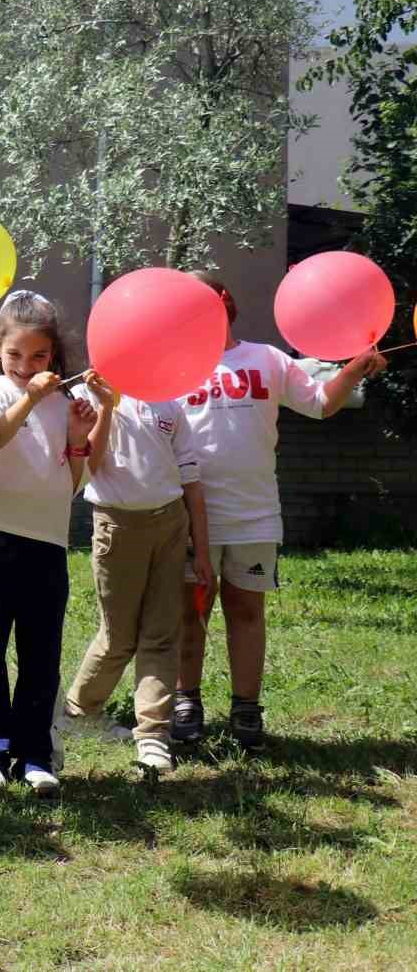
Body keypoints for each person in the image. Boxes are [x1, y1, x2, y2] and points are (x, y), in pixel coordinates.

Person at [174, 273, 386, 746]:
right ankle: (185, 700)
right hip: (191, 518)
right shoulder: (173, 367)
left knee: (247, 610)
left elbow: (319, 404)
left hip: (254, 515)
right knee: (191, 612)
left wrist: (351, 369)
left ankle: (246, 709)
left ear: (225, 304)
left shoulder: (266, 358)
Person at [0, 291, 100, 797]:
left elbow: (73, 482)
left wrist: (81, 436)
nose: (25, 365)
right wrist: (33, 396)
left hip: (48, 543)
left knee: (42, 654)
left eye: (38, 356)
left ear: (53, 355)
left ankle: (34, 754)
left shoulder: (63, 403)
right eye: (15, 354)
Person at [57, 372, 213, 775]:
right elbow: (89, 463)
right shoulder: (85, 396)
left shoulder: (168, 400)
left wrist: (203, 551)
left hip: (170, 524)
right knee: (118, 635)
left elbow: (191, 483)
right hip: (117, 525)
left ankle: (153, 735)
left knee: (162, 634)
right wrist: (107, 407)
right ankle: (79, 712)